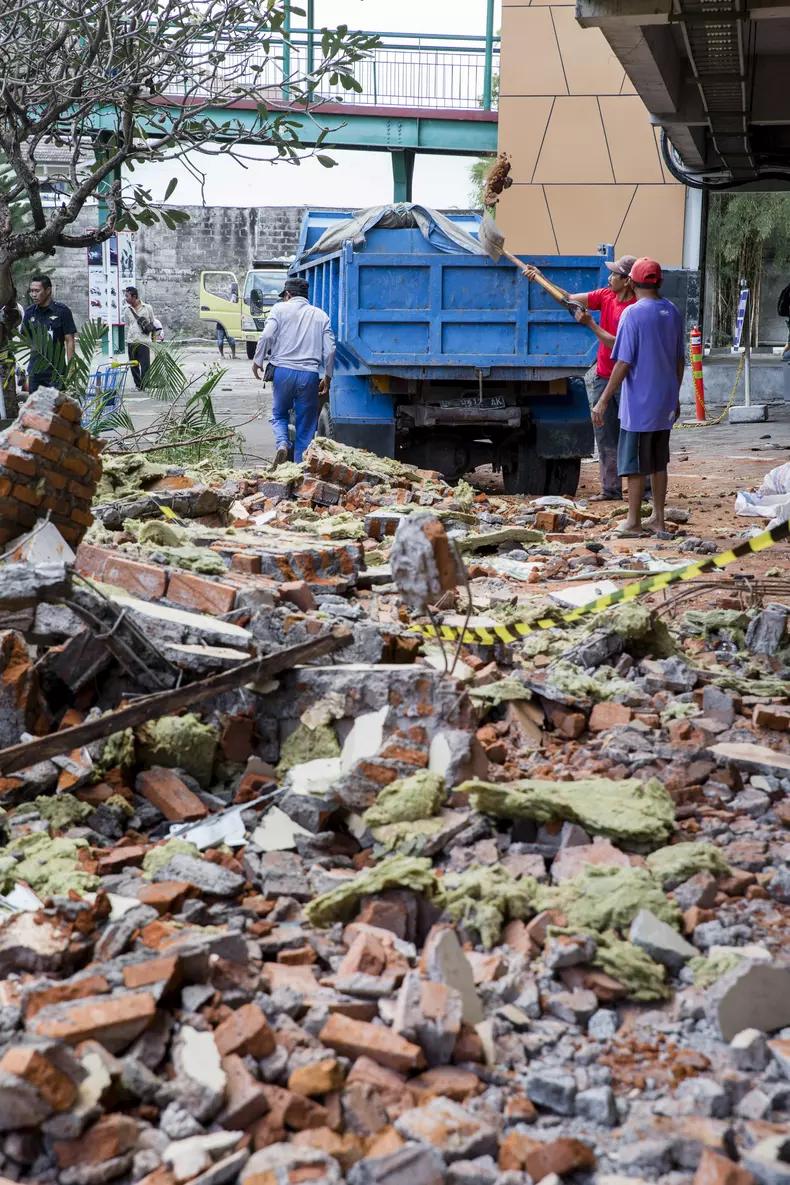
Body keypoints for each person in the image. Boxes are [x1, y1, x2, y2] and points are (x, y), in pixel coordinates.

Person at [524, 256, 637, 501]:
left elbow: (619, 346)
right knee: (604, 434)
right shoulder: (606, 296)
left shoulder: (635, 310)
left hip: (627, 379)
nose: (609, 278)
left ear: (627, 281)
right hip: (603, 376)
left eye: (615, 274)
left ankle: (644, 491)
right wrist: (542, 279)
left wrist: (590, 324)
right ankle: (611, 490)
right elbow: (569, 299)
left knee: (632, 434)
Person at [591, 257, 685, 536]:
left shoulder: (632, 314)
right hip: (664, 402)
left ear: (631, 282)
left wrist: (603, 400)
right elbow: (680, 360)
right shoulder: (673, 311)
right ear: (660, 282)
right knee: (657, 461)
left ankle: (633, 521)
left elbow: (622, 362)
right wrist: (675, 396)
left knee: (633, 464)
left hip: (639, 406)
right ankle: (658, 518)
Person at [252, 276, 336, 465]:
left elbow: (266, 336)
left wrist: (257, 361)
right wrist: (328, 378)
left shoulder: (279, 309)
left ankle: (282, 443)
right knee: (306, 426)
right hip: (309, 375)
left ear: (288, 294)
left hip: (283, 372)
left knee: (280, 414)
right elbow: (330, 350)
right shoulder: (321, 315)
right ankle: (300, 471)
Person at [22, 275, 76, 393]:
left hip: (56, 372)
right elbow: (25, 338)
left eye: (37, 291)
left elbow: (69, 340)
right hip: (35, 372)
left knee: (56, 409)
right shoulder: (29, 312)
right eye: (32, 291)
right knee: (36, 409)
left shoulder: (62, 311)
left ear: (48, 291)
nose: (33, 294)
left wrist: (71, 369)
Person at [122, 287, 155, 388]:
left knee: (145, 364)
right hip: (132, 341)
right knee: (133, 364)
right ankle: (138, 385)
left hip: (144, 341)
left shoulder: (147, 308)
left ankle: (146, 384)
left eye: (127, 296)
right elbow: (127, 324)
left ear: (134, 296)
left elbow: (152, 322)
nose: (126, 299)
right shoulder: (127, 310)